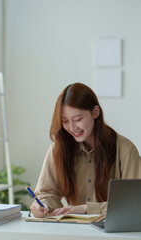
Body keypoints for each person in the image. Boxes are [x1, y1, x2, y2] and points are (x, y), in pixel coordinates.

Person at [30, 82, 141, 218]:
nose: (72, 127)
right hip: (74, 231)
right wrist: (42, 204)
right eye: (65, 121)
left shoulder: (125, 149)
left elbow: (135, 202)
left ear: (95, 112)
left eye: (77, 119)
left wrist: (88, 209)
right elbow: (46, 193)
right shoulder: (58, 149)